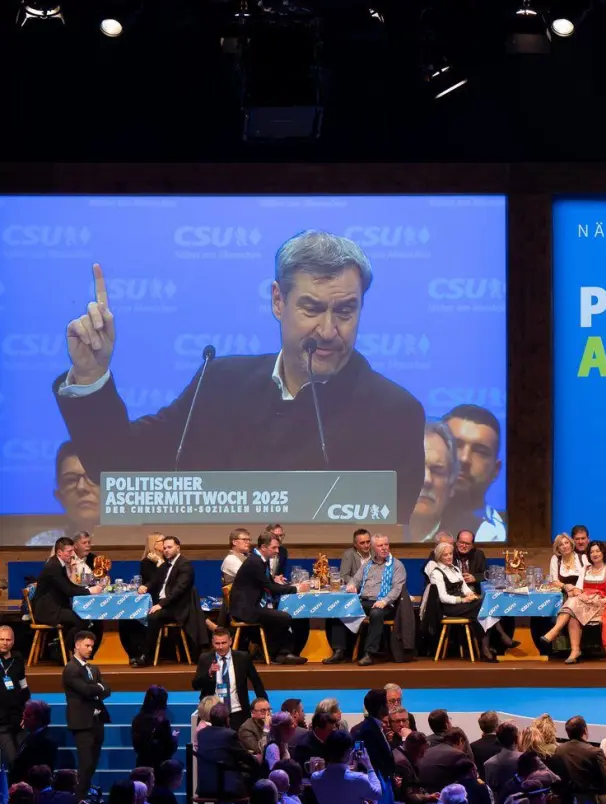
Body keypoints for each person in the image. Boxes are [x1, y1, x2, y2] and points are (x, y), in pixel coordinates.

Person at [52, 235, 426, 528]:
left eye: (345, 311)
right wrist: (90, 373)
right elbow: (118, 466)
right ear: (278, 301)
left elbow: (386, 534)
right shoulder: (220, 384)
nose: (328, 331)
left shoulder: (393, 412)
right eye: (311, 309)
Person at [229, 532, 310, 665]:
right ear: (263, 547)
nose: (277, 551)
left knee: (284, 615)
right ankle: (277, 654)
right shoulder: (254, 562)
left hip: (252, 605)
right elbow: (269, 587)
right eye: (274, 548)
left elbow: (268, 582)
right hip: (246, 610)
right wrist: (297, 589)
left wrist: (280, 582)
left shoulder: (259, 560)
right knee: (284, 617)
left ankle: (281, 653)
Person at [332, 534, 409, 666]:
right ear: (373, 548)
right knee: (340, 607)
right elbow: (355, 580)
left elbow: (397, 589)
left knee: (376, 613)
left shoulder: (397, 565)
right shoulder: (368, 564)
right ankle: (339, 651)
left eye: (386, 545)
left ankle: (369, 653)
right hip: (365, 600)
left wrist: (384, 601)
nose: (384, 548)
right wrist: (351, 585)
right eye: (380, 545)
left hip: (386, 604)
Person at [133, 535, 207, 668]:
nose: (166, 550)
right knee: (142, 615)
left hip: (179, 607)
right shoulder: (166, 565)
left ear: (178, 548)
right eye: (165, 548)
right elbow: (155, 580)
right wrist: (146, 586)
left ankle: (147, 657)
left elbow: (178, 590)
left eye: (169, 547)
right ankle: (140, 653)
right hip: (168, 604)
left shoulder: (184, 565)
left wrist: (160, 605)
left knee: (153, 616)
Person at [439, 404, 507, 541]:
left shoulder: (503, 536)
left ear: (496, 470)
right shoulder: (397, 524)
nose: (464, 459)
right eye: (455, 444)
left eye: (480, 451)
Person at [420, 540, 495, 663]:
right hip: (448, 607)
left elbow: (464, 587)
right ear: (439, 556)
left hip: (462, 604)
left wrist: (470, 594)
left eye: (450, 554)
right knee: (483, 607)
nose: (449, 557)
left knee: (485, 606)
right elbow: (443, 597)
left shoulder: (455, 569)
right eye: (445, 555)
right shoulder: (436, 572)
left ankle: (485, 649)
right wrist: (463, 599)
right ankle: (488, 647)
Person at [62, 629, 110, 797]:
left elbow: (107, 689)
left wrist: (96, 689)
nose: (90, 649)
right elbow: (86, 690)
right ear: (77, 645)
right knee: (85, 764)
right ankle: (78, 799)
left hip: (96, 722)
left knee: (92, 764)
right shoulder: (71, 669)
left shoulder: (93, 668)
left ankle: (84, 796)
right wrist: (98, 688)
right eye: (87, 645)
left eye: (92, 646)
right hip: (82, 723)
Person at [193, 629, 270, 730]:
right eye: (217, 643)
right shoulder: (205, 658)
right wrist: (209, 673)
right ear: (212, 642)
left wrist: (266, 708)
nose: (220, 647)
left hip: (238, 712)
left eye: (224, 643)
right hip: (212, 713)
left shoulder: (243, 658)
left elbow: (257, 683)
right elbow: (195, 685)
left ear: (230, 641)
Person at [31, 535, 105, 637]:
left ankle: (68, 648)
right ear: (59, 552)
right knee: (82, 621)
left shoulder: (58, 563)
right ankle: (68, 649)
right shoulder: (53, 567)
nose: (72, 555)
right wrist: (90, 591)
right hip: (47, 611)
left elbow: (70, 585)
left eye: (72, 551)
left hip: (55, 607)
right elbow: (68, 591)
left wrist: (86, 589)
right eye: (69, 552)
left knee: (83, 618)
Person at [0, 626, 28, 766]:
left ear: (13, 641)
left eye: (8, 639)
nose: (4, 643)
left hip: (18, 719)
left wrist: (26, 714)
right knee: (13, 762)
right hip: (1, 723)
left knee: (25, 759)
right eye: (1, 639)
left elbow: (24, 687)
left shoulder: (17, 659)